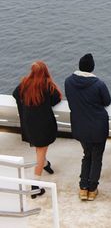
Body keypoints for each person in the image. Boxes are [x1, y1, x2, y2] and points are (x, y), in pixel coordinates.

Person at [64, 53, 111, 201]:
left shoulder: (68, 82)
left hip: (80, 125)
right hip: (98, 126)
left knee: (87, 155)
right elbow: (107, 101)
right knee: (97, 158)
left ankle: (83, 188)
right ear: (92, 68)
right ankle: (92, 189)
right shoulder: (99, 84)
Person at [13, 61, 62, 198]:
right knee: (40, 152)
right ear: (45, 71)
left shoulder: (25, 83)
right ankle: (35, 185)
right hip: (44, 125)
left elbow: (15, 94)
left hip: (29, 123)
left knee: (39, 149)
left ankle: (46, 164)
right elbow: (56, 99)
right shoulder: (47, 86)